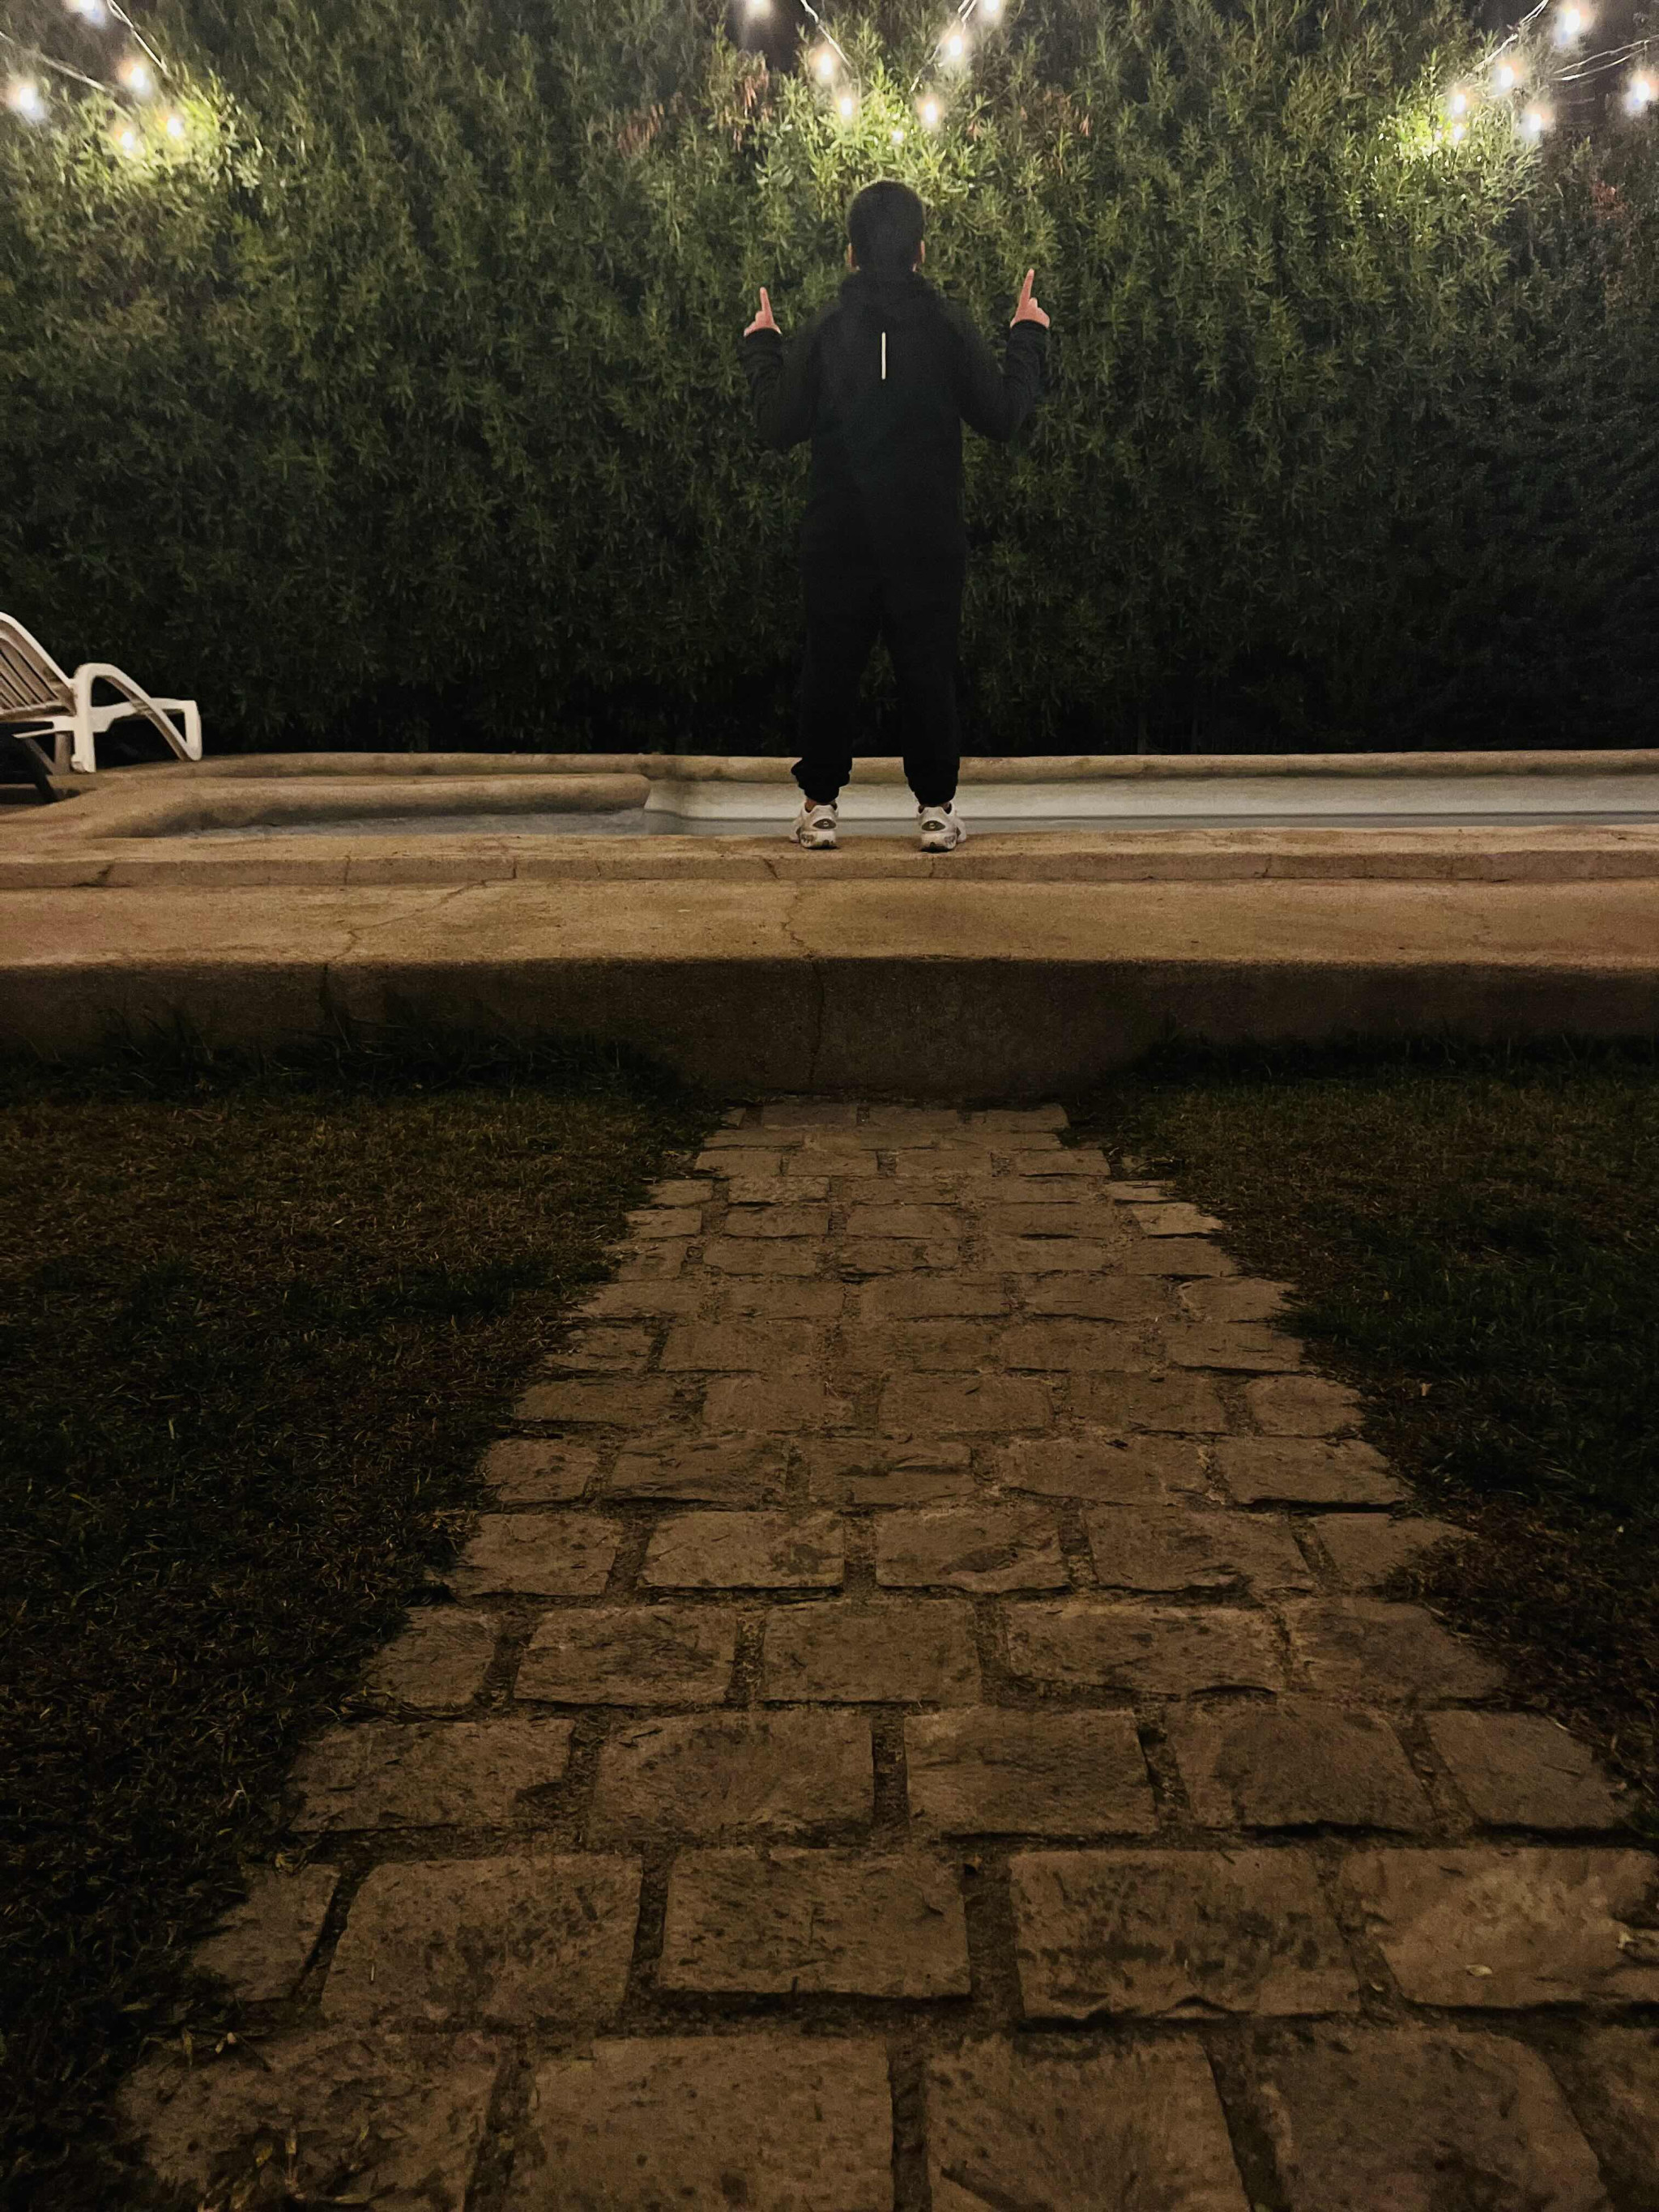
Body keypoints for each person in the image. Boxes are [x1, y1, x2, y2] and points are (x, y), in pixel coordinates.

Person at [740, 178, 1051, 852]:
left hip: (839, 537)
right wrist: (1027, 336)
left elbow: (776, 425)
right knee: (928, 669)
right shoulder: (948, 327)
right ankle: (936, 812)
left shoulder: (825, 330)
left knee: (829, 668)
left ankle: (819, 810)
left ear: (851, 253)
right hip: (927, 539)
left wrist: (763, 347)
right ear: (921, 251)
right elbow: (1003, 415)